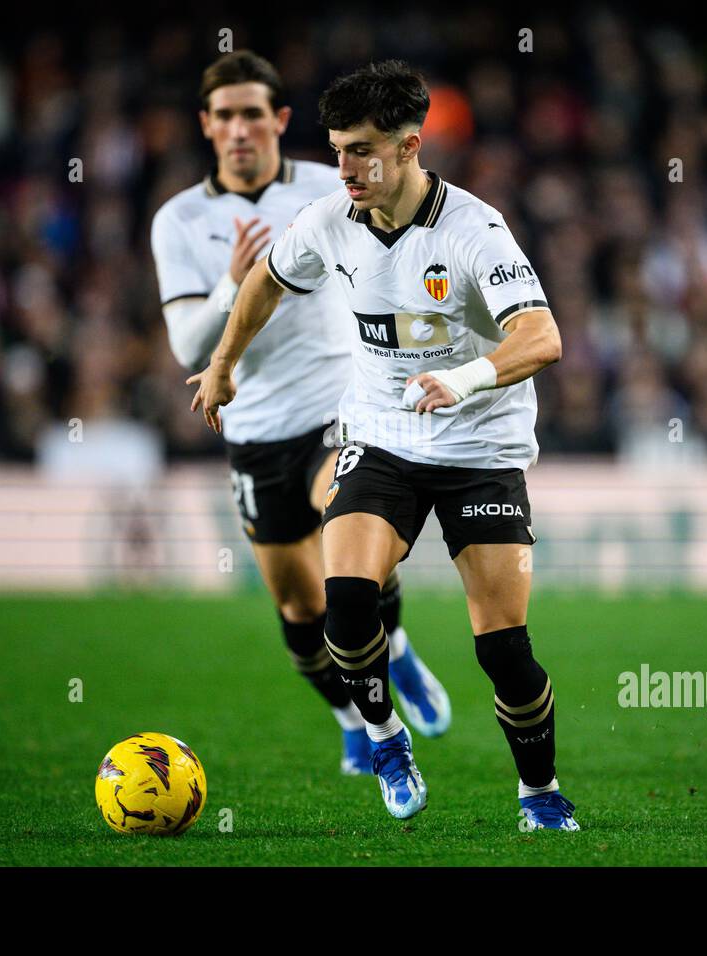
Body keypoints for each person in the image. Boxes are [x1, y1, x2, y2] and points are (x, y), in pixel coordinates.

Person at [188, 60, 577, 830]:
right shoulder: (332, 221)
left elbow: (543, 337)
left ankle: (539, 793)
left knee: (504, 651)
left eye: (362, 151)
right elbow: (266, 280)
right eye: (337, 150)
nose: (345, 169)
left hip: (480, 448)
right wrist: (223, 365)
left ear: (409, 146)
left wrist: (463, 379)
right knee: (348, 602)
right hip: (383, 435)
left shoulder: (474, 230)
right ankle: (385, 738)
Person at [151, 52, 451, 777]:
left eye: (253, 112)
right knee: (298, 608)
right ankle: (353, 717)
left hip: (338, 409)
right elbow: (187, 343)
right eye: (224, 115)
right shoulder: (181, 220)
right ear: (207, 126)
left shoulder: (330, 185)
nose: (239, 128)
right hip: (253, 431)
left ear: (280, 120)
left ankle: (397, 654)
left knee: (354, 540)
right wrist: (233, 285)